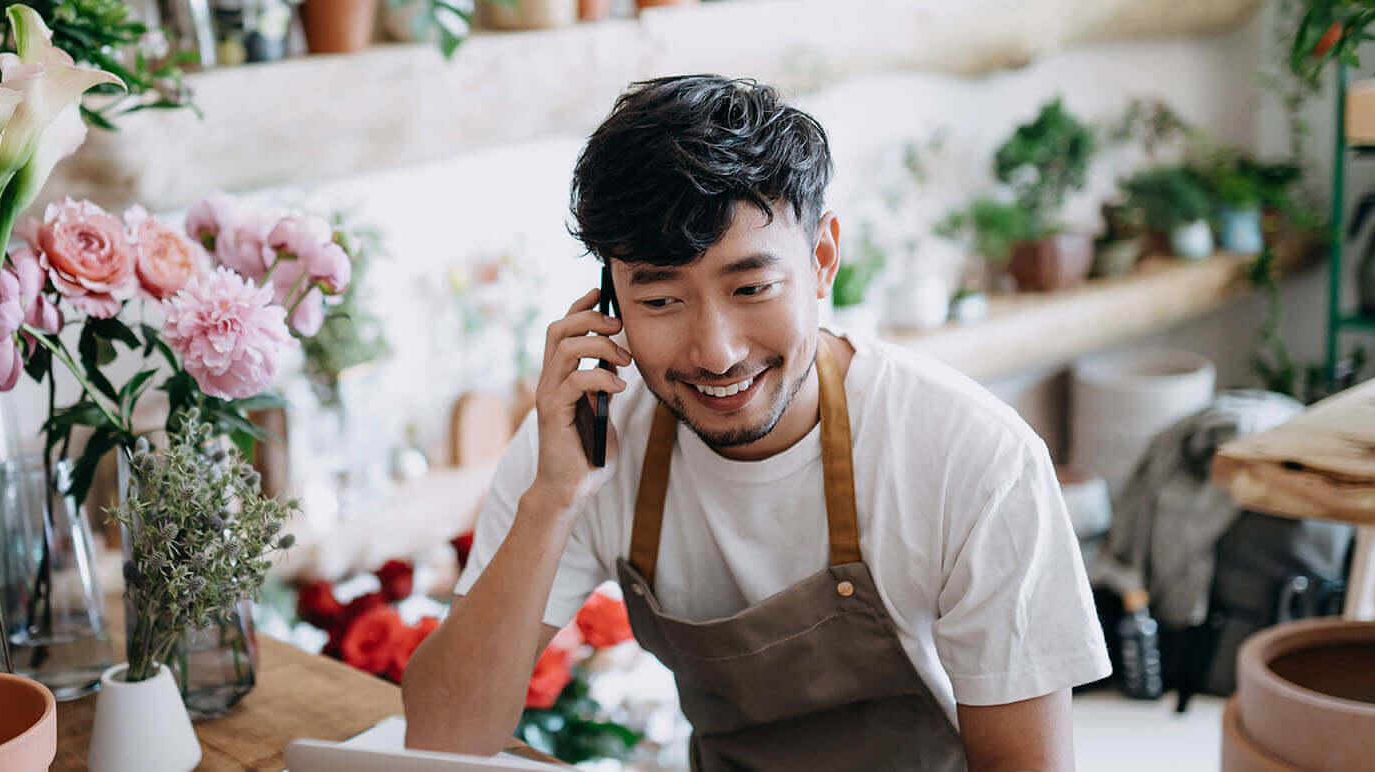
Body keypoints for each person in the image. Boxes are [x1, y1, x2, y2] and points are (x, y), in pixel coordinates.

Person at [400, 75, 1110, 771]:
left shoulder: (972, 456)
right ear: (606, 304)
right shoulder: (582, 441)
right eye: (660, 300)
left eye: (751, 288)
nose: (716, 352)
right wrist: (551, 500)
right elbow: (442, 736)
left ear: (822, 259)